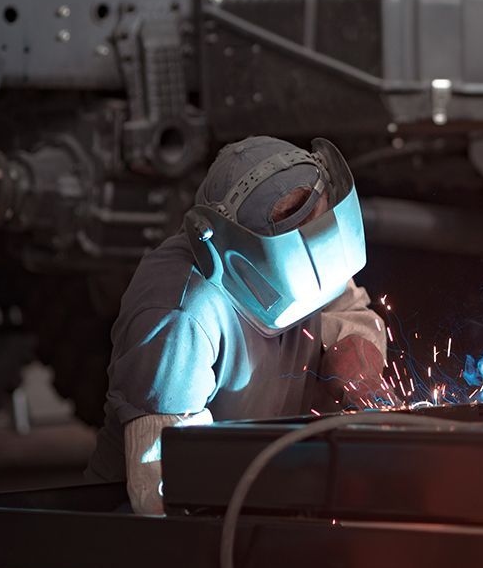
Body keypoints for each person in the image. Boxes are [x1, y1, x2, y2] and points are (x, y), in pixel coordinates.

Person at [85, 135, 388, 514]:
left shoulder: (307, 253)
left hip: (265, 495)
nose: (315, 236)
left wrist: (356, 352)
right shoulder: (180, 314)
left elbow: (349, 308)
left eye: (319, 216)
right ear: (238, 246)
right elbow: (163, 493)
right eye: (293, 222)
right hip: (145, 537)